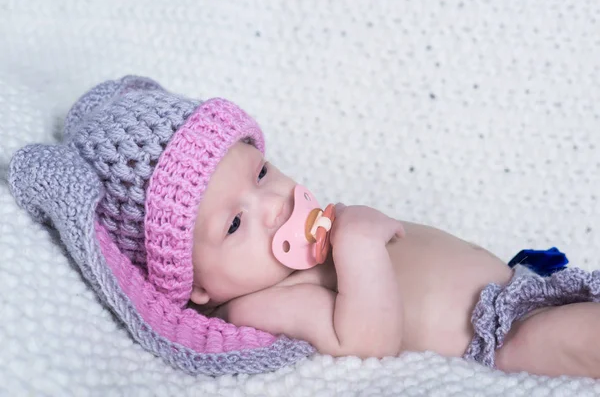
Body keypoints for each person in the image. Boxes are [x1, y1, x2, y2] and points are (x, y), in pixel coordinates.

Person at [9, 75, 600, 378]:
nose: (271, 203)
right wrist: (361, 243)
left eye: (261, 171)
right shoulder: (262, 304)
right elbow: (368, 342)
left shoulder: (307, 242)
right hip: (497, 342)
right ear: (197, 286)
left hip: (528, 284)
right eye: (235, 222)